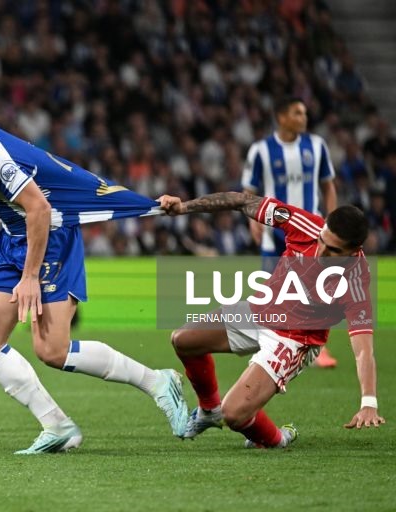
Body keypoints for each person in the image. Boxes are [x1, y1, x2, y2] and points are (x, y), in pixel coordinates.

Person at [0, 74, 188, 454]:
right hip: (13, 236)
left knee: (53, 350)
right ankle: (58, 426)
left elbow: (40, 208)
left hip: (49, 236)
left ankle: (157, 381)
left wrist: (30, 276)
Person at [158, 191, 385, 448]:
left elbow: (363, 350)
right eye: (322, 240)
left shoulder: (355, 282)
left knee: (234, 414)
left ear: (354, 251)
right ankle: (209, 410)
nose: (321, 251)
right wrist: (184, 207)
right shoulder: (304, 224)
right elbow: (242, 201)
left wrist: (369, 402)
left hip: (295, 339)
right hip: (260, 310)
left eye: (334, 250)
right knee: (183, 340)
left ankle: (278, 438)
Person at [242, 96, 339, 368]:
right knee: (271, 290)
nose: (303, 118)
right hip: (274, 231)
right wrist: (253, 222)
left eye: (304, 113)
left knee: (316, 289)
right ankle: (266, 343)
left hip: (310, 232)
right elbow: (249, 191)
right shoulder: (261, 150)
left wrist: (331, 222)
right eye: (297, 113)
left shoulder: (317, 146)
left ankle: (318, 347)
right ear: (281, 117)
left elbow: (328, 186)